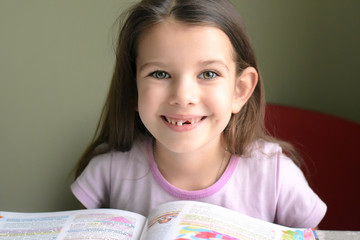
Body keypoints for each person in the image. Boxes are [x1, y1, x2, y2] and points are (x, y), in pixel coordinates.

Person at [71, 0, 326, 228]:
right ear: (133, 89)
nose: (183, 96)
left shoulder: (276, 175)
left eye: (208, 74)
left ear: (240, 89)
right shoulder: (107, 173)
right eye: (160, 74)